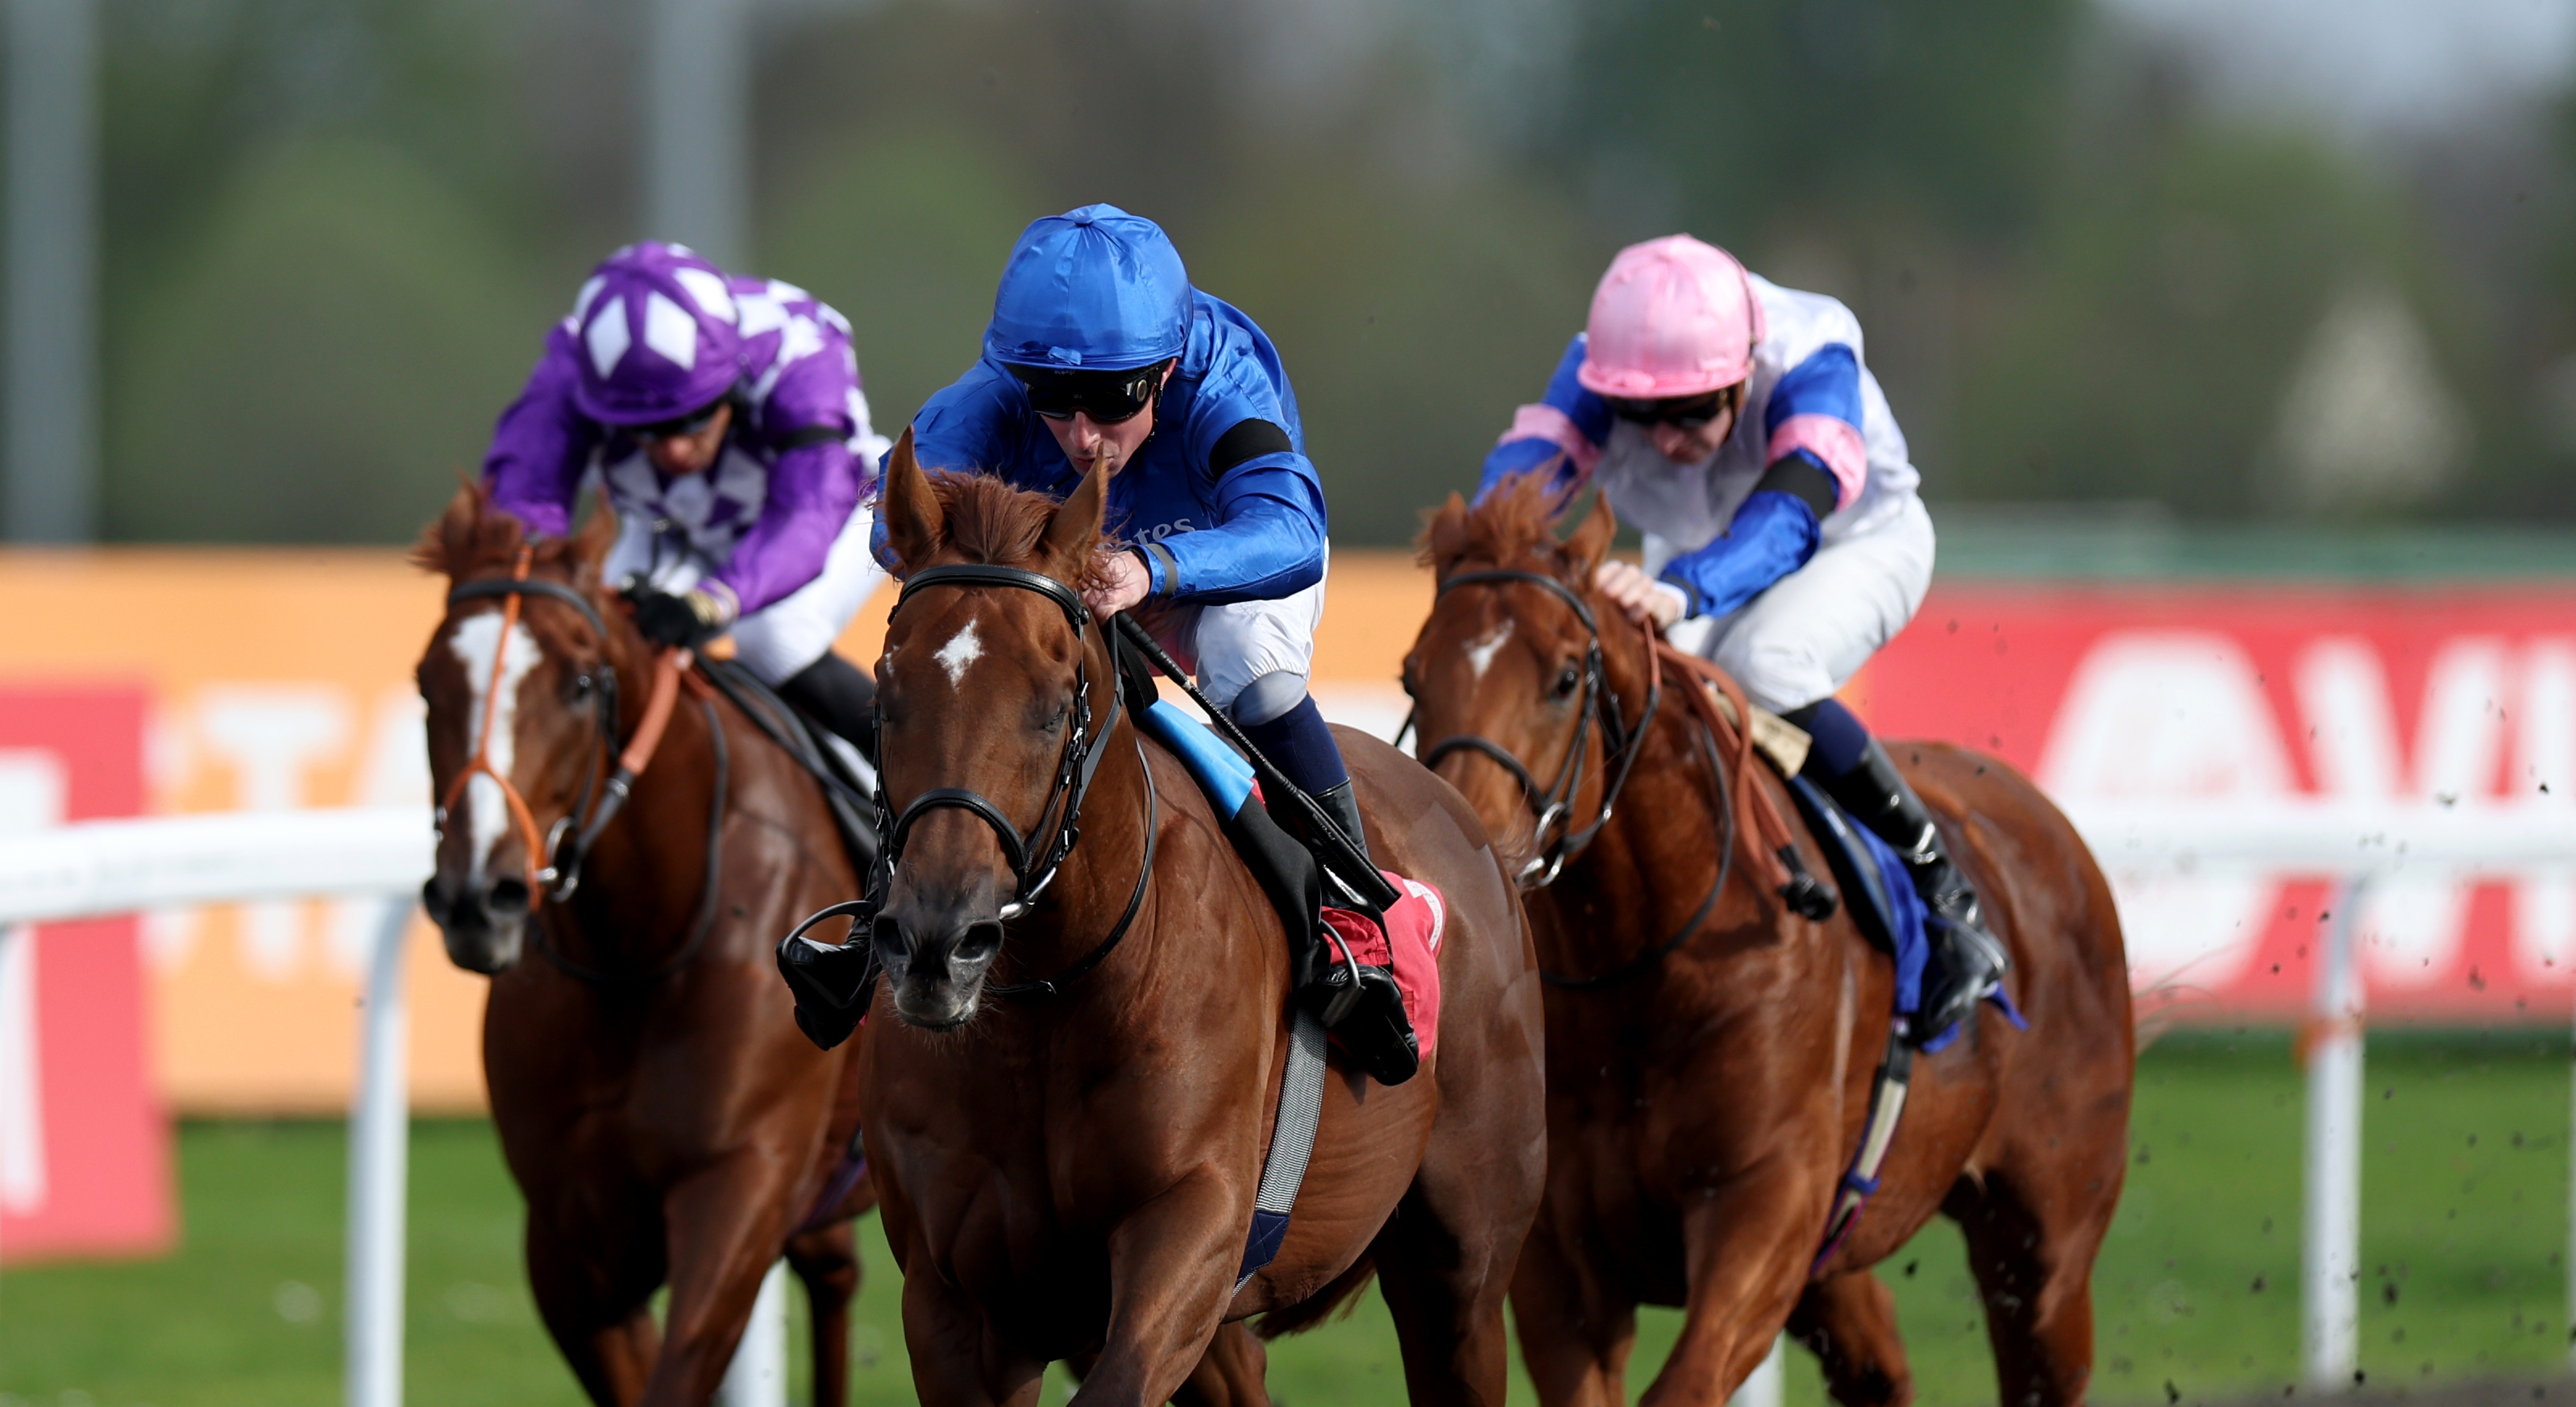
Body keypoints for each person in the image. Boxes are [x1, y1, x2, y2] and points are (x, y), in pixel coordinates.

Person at [1477, 234, 2007, 1040]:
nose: (1663, 439)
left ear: (1747, 363)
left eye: (1690, 412)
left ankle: (1944, 889)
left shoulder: (1812, 354)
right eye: (1640, 415)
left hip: (1851, 542)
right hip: (1694, 559)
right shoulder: (1599, 366)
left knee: (1762, 665)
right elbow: (1518, 488)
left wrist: (1683, 590)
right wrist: (1484, 555)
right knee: (1649, 709)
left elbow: (1789, 518)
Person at [893, 204, 1375, 876]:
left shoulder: (1224, 383)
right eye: (1054, 398)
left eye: (1113, 398)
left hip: (1217, 574)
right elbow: (897, 533)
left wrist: (1153, 569)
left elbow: (1292, 529)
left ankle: (1355, 892)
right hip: (1081, 581)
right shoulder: (998, 388)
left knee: (1252, 666)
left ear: (1167, 369)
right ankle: (890, 901)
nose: (1082, 435)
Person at [484, 241, 887, 761]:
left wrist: (712, 600)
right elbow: (524, 497)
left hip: (844, 510)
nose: (673, 449)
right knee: (594, 646)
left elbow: (805, 514)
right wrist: (525, 576)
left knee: (771, 637)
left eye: (693, 418)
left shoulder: (797, 348)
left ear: (734, 379)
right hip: (675, 529)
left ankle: (909, 780)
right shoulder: (575, 364)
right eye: (644, 430)